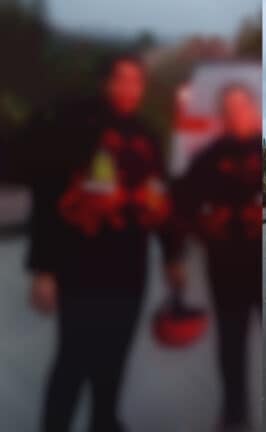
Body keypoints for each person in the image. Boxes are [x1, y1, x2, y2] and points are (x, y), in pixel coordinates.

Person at [20, 54, 178, 432]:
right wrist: (43, 269)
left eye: (136, 81)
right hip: (80, 266)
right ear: (105, 82)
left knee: (115, 356)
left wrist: (173, 256)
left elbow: (160, 198)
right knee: (73, 358)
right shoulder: (76, 129)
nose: (129, 89)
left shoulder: (146, 136)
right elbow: (47, 199)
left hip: (130, 266)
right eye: (121, 80)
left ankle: (104, 420)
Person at [169, 83, 261, 431]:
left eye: (242, 108)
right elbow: (179, 206)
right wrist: (174, 255)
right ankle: (235, 411)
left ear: (252, 111)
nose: (237, 116)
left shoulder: (259, 151)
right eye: (229, 110)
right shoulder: (209, 159)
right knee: (231, 340)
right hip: (225, 267)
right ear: (223, 116)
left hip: (258, 265)